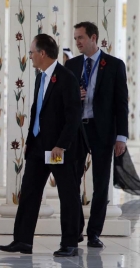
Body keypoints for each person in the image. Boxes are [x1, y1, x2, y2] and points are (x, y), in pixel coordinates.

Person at [0, 34, 83, 257]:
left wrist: (61, 145)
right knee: (29, 192)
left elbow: (73, 116)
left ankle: (70, 243)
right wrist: (29, 140)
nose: (30, 57)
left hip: (56, 149)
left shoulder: (66, 78)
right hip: (38, 147)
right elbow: (37, 111)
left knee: (67, 193)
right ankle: (22, 241)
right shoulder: (40, 77)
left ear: (42, 53)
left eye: (32, 52)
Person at [65, 21, 128, 247]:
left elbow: (122, 103)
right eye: (75, 38)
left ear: (93, 38)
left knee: (101, 182)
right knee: (71, 179)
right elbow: (62, 101)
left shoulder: (114, 65)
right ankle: (76, 228)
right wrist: (75, 96)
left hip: (102, 130)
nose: (77, 42)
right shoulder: (71, 65)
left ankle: (94, 233)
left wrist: (121, 136)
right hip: (76, 130)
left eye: (80, 37)